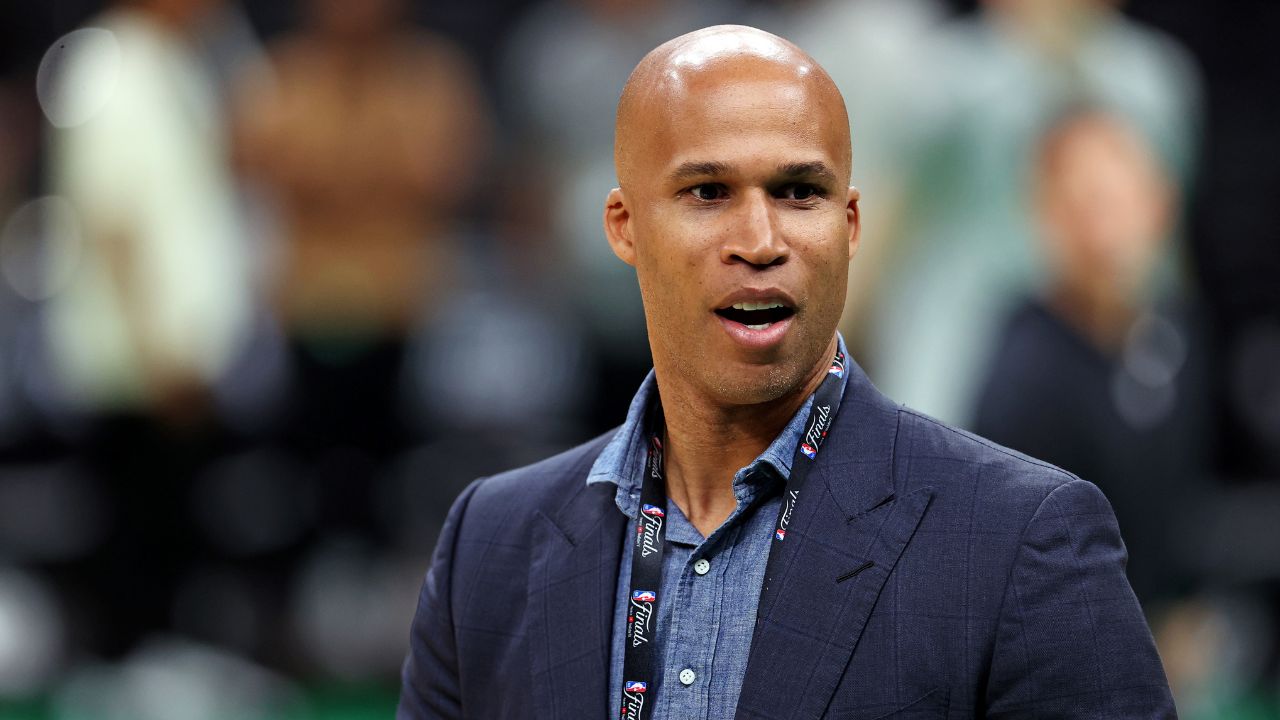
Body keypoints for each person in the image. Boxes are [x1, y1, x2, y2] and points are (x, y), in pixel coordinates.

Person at [399, 25, 1174, 719]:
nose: (760, 239)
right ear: (624, 226)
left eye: (799, 192)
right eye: (708, 192)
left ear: (849, 225)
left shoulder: (1020, 538)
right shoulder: (489, 545)